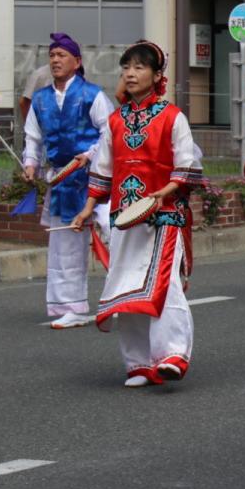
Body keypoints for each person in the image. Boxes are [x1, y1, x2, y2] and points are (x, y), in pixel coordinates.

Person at [72, 41, 204, 388]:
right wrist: (88, 208)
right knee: (125, 287)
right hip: (125, 215)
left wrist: (167, 191)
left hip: (165, 214)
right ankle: (138, 364)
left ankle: (172, 354)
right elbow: (103, 169)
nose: (130, 73)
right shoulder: (116, 121)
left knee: (165, 284)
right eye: (126, 67)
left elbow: (188, 164)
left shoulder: (173, 117)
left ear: (158, 75)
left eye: (139, 67)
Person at [22, 33, 113, 329]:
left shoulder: (93, 94)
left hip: (95, 178)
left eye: (62, 55)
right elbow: (33, 136)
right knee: (64, 245)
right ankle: (70, 306)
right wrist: (31, 162)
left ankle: (126, 297)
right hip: (61, 179)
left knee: (116, 234)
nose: (55, 60)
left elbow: (109, 133)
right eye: (52, 56)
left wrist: (89, 155)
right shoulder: (41, 99)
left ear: (77, 61)